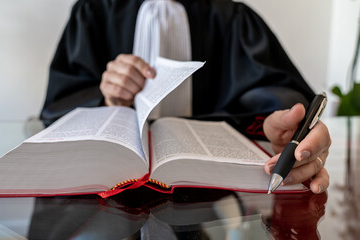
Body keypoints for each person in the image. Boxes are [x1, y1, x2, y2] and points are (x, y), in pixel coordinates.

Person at [40, 0, 331, 194]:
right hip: (103, 189)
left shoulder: (231, 17)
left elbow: (277, 101)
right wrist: (105, 97)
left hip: (210, 197)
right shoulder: (92, 12)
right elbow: (58, 103)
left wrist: (283, 127)